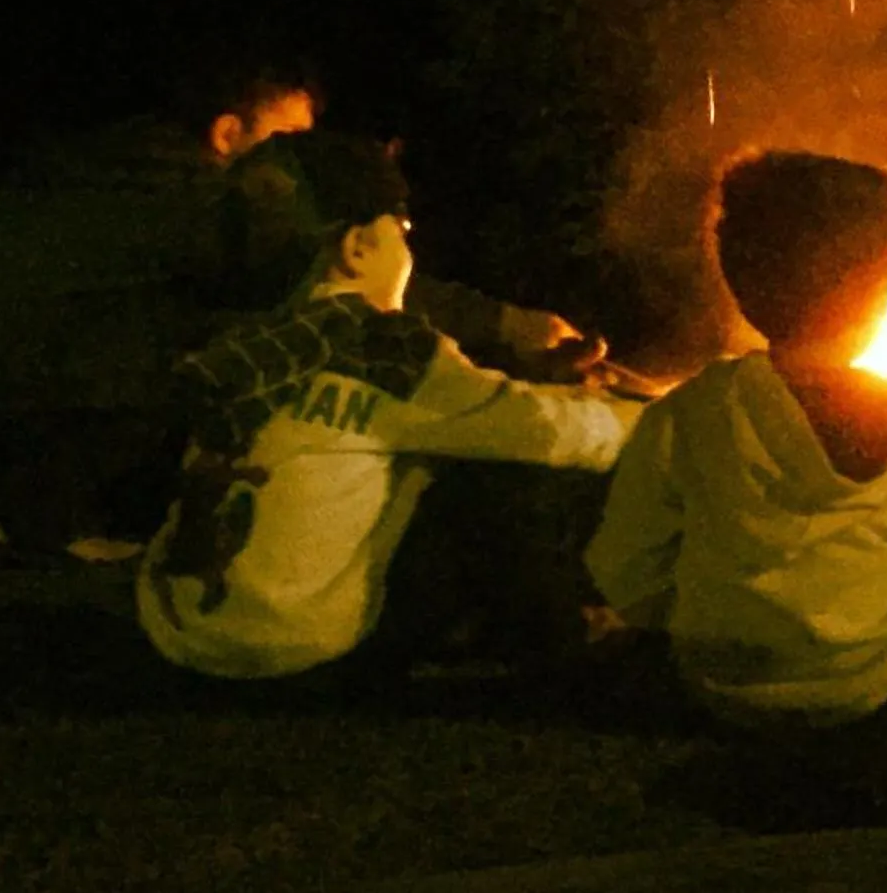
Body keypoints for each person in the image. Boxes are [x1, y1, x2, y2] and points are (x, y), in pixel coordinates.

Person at [0, 60, 601, 557]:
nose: (305, 165)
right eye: (290, 142)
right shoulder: (205, 198)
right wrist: (505, 325)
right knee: (230, 358)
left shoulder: (121, 166)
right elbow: (333, 282)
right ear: (227, 133)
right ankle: (44, 521)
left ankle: (25, 514)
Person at [137, 132, 640, 684]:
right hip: (299, 642)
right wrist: (651, 417)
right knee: (492, 462)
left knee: (442, 429)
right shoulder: (386, 352)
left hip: (175, 626)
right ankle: (543, 634)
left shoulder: (241, 342)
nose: (408, 249)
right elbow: (551, 431)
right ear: (356, 249)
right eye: (401, 232)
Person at [583, 150, 887, 728]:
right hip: (871, 684)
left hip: (723, 686)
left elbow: (626, 566)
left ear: (740, 284)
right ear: (882, 289)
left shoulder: (690, 413)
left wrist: (687, 618)